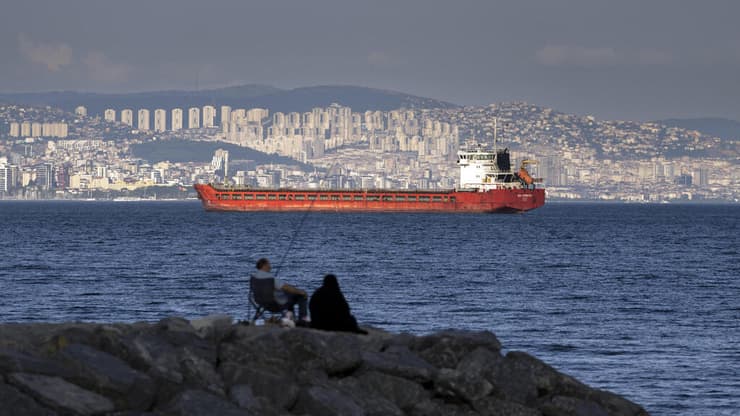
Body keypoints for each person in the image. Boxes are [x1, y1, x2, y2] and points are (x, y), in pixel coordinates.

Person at [251, 258, 309, 323]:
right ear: (264, 265)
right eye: (268, 265)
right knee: (301, 296)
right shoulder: (269, 278)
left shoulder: (254, 277)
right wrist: (301, 291)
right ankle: (303, 320)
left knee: (288, 296)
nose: (270, 267)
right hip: (275, 304)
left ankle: (291, 319)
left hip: (261, 303)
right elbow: (286, 287)